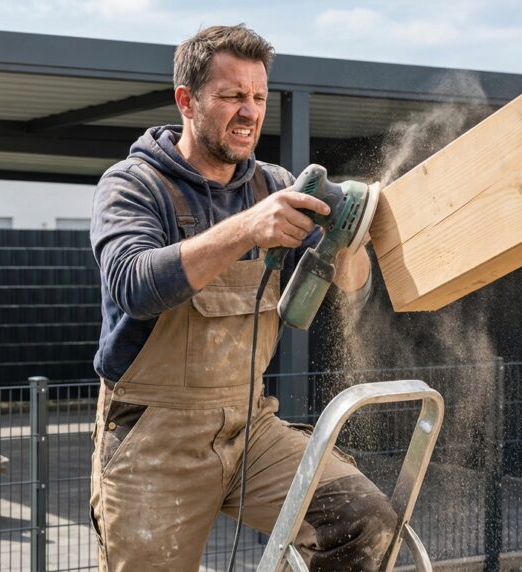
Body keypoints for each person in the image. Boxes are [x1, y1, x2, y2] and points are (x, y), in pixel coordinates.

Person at [88, 24, 397, 571]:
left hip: (249, 427)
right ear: (187, 101)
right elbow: (133, 283)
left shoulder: (275, 185)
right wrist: (248, 229)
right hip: (154, 440)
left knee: (363, 521)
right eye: (232, 95)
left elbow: (353, 288)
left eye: (258, 96)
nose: (249, 112)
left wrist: (348, 241)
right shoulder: (134, 185)